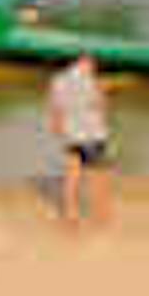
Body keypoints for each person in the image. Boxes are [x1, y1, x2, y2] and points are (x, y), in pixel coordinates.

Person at [46, 51, 111, 227]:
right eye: (93, 62)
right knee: (97, 174)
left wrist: (58, 128)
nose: (94, 66)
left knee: (72, 173)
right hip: (92, 133)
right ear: (85, 62)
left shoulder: (58, 80)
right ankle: (99, 213)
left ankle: (70, 213)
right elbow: (100, 105)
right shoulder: (92, 80)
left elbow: (55, 108)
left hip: (72, 133)